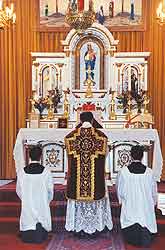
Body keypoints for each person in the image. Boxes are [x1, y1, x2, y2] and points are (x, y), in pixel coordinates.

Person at [65, 112, 113, 237]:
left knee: (78, 195)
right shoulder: (101, 136)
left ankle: (77, 226)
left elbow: (69, 158)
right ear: (92, 120)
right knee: (95, 193)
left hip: (77, 181)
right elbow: (105, 154)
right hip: (95, 180)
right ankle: (97, 225)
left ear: (80, 120)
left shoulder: (71, 137)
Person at [116, 145, 157, 247]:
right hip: (146, 213)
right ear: (142, 156)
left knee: (130, 223)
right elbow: (153, 193)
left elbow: (119, 191)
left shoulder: (123, 172)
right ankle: (145, 233)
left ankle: (136, 235)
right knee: (146, 220)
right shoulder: (149, 172)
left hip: (130, 214)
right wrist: (153, 203)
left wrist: (122, 201)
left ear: (131, 156)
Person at [16, 145, 54, 243]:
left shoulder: (22, 172)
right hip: (42, 207)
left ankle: (28, 232)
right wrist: (45, 202)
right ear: (40, 156)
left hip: (27, 207)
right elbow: (50, 191)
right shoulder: (46, 172)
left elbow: (18, 190)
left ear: (29, 156)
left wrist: (26, 199)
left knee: (28, 221)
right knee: (42, 219)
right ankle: (40, 231)